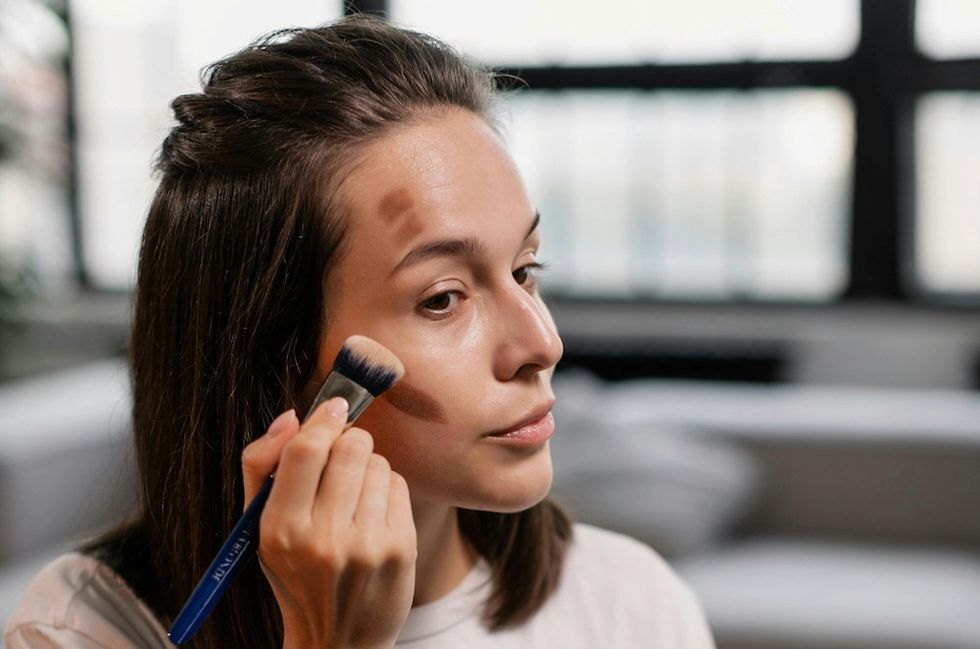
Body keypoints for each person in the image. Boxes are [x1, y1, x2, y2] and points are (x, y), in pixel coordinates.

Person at [4, 14, 715, 649]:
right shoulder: (81, 627)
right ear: (272, 359)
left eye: (525, 270)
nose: (542, 344)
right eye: (443, 298)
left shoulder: (632, 601)